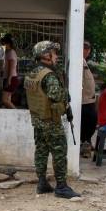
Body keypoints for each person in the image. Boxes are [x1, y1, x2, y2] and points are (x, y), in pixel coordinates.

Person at [24, 41, 80, 199]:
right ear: (46, 55)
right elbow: (55, 95)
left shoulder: (32, 73)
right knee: (59, 152)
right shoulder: (49, 75)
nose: (56, 56)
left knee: (41, 150)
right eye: (54, 53)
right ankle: (61, 186)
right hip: (51, 121)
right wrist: (64, 93)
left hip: (38, 120)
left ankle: (42, 183)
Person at [80, 41, 97, 158]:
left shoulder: (83, 61)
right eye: (84, 48)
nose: (87, 51)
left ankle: (87, 142)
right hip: (83, 99)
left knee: (91, 121)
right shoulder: (79, 61)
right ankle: (85, 144)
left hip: (89, 99)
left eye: (88, 49)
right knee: (88, 122)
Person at [0, 33, 19, 109]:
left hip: (11, 78)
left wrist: (9, 79)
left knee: (4, 100)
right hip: (9, 78)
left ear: (8, 43)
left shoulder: (11, 52)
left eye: (4, 44)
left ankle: (18, 114)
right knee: (8, 99)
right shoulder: (8, 52)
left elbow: (11, 67)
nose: (3, 46)